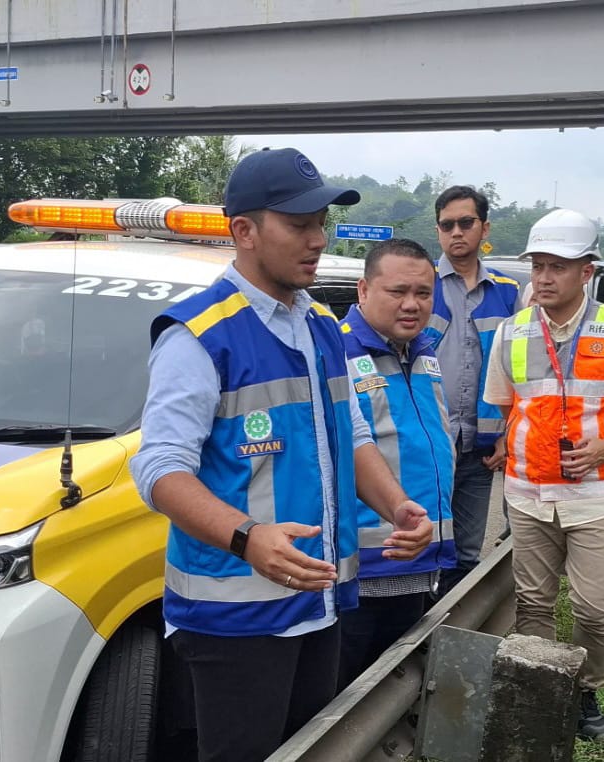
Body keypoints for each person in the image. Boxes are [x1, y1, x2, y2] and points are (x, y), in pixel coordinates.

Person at [129, 147, 434, 762]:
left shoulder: (322, 324)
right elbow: (159, 470)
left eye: (321, 223)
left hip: (319, 605)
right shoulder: (198, 336)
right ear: (244, 231)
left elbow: (350, 438)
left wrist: (398, 506)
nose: (317, 239)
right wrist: (248, 538)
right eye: (298, 225)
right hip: (235, 620)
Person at [482, 208, 604, 742]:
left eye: (557, 267)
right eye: (538, 266)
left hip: (596, 495)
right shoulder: (509, 333)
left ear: (585, 272)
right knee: (534, 600)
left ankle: (586, 686)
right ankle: (547, 686)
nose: (543, 277)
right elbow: (505, 406)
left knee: (594, 605)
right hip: (525, 493)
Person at [336, 237, 455, 689]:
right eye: (397, 292)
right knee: (343, 697)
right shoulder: (338, 356)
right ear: (363, 291)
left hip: (421, 562)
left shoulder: (423, 351)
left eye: (423, 294)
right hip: (363, 575)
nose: (412, 305)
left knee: (393, 694)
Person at [425, 185, 520, 594]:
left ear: (484, 228)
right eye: (447, 225)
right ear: (438, 231)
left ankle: (447, 641)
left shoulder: (507, 292)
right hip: (429, 445)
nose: (456, 232)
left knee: (465, 553)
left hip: (480, 449)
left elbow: (520, 372)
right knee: (423, 548)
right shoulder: (420, 286)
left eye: (466, 223)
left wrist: (508, 436)